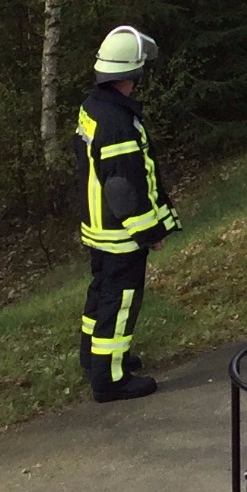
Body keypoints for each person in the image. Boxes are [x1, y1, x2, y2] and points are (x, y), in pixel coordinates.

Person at [75, 25, 179, 402]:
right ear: (131, 74)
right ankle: (110, 378)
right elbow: (123, 187)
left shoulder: (94, 106)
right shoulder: (118, 123)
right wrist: (150, 232)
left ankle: (94, 358)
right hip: (119, 233)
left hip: (97, 225)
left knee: (101, 294)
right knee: (120, 302)